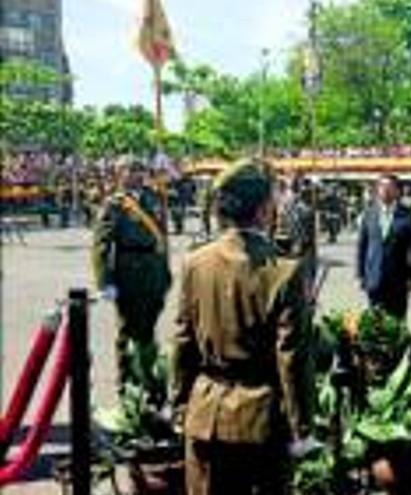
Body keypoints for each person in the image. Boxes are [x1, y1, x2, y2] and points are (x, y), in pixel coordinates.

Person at [171, 158, 315, 495]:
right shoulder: (283, 271)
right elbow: (291, 358)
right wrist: (302, 427)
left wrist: (180, 405)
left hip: (204, 413)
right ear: (265, 209)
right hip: (260, 421)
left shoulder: (195, 262)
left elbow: (182, 341)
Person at [92, 157, 172, 400]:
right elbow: (101, 245)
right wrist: (105, 281)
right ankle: (127, 385)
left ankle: (149, 380)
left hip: (153, 272)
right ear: (118, 174)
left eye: (139, 169)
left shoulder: (153, 198)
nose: (136, 174)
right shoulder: (114, 204)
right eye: (130, 170)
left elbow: (162, 238)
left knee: (148, 330)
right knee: (128, 332)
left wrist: (165, 272)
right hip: (129, 271)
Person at [356, 173, 411, 321]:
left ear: (397, 191)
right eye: (382, 186)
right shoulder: (369, 213)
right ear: (377, 190)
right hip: (374, 277)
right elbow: (362, 246)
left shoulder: (409, 215)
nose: (385, 190)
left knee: (397, 321)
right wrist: (360, 274)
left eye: (390, 187)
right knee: (375, 322)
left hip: (399, 279)